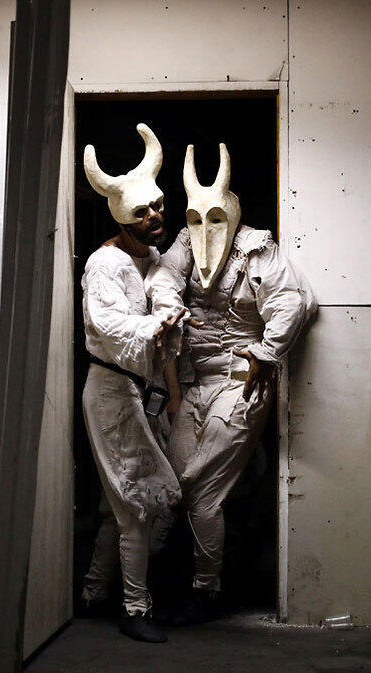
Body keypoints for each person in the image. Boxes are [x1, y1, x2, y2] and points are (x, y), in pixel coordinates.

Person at [147, 142, 316, 625]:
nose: (204, 230)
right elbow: (163, 278)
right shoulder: (183, 243)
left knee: (200, 485)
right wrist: (165, 304)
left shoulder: (257, 249)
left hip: (241, 383)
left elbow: (293, 303)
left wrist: (265, 352)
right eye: (196, 220)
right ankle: (184, 575)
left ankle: (207, 588)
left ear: (234, 215)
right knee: (178, 481)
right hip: (192, 384)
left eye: (215, 219)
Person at [78, 123, 185, 643]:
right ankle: (135, 609)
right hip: (112, 392)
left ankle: (95, 593)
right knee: (136, 504)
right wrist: (158, 323)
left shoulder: (154, 259)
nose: (154, 218)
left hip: (139, 395)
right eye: (142, 212)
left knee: (118, 504)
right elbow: (113, 327)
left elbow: (167, 297)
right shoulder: (104, 265)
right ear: (121, 216)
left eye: (158, 207)